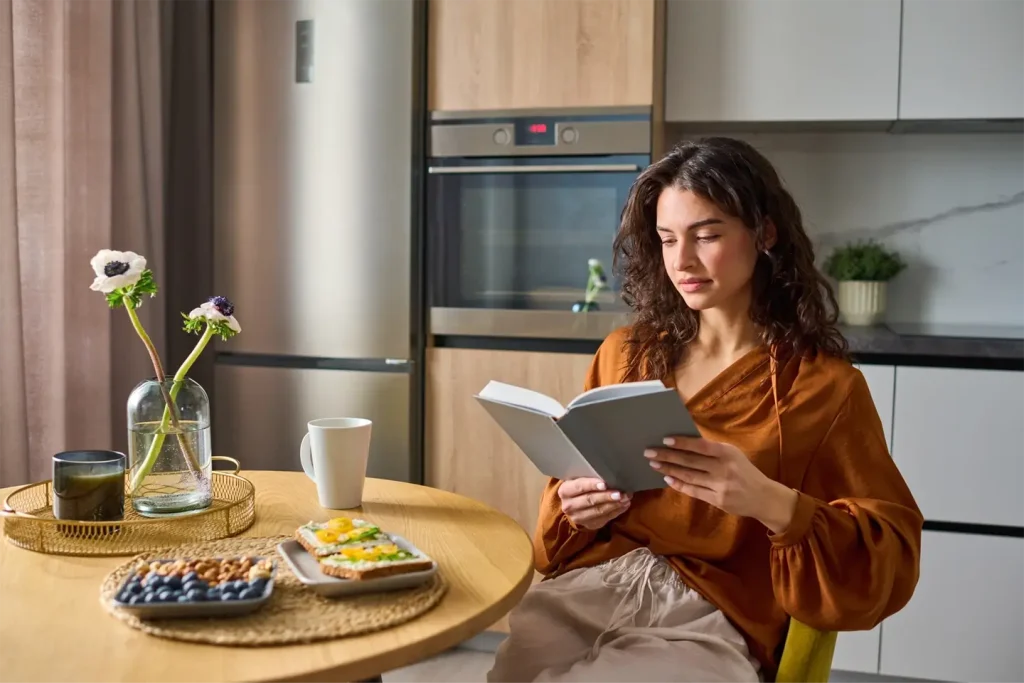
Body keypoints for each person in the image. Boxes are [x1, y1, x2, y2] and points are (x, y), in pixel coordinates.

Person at [486, 137, 923, 683]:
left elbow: (890, 552)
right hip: (592, 590)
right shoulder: (625, 354)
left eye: (707, 235)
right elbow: (560, 522)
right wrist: (575, 507)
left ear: (764, 233)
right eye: (668, 240)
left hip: (711, 619)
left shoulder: (822, 389)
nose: (682, 261)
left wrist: (773, 503)